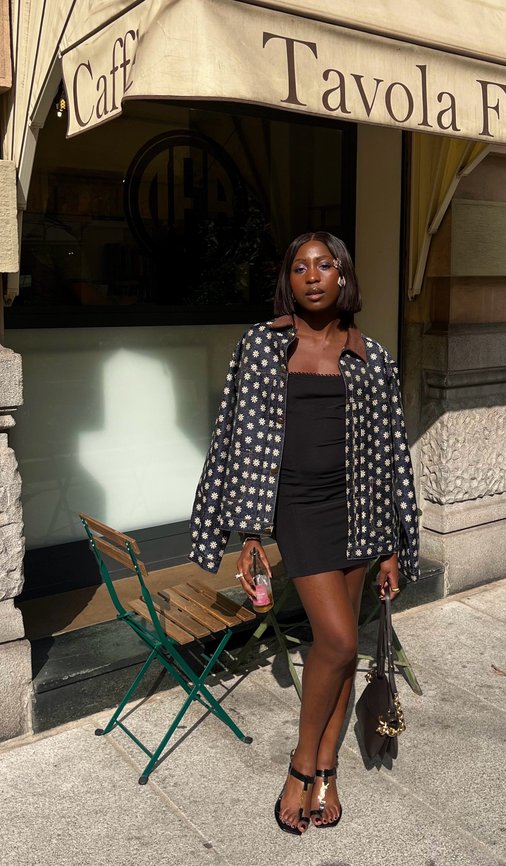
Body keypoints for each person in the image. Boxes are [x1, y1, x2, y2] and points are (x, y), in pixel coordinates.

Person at [190, 231, 419, 834]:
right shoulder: (262, 346)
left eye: (325, 265)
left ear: (344, 276)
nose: (312, 276)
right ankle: (299, 765)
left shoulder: (373, 357)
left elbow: (392, 452)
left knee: (337, 653)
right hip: (298, 506)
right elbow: (236, 438)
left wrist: (393, 543)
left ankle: (328, 768)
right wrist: (248, 534)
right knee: (341, 641)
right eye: (300, 267)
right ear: (287, 281)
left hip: (362, 509)